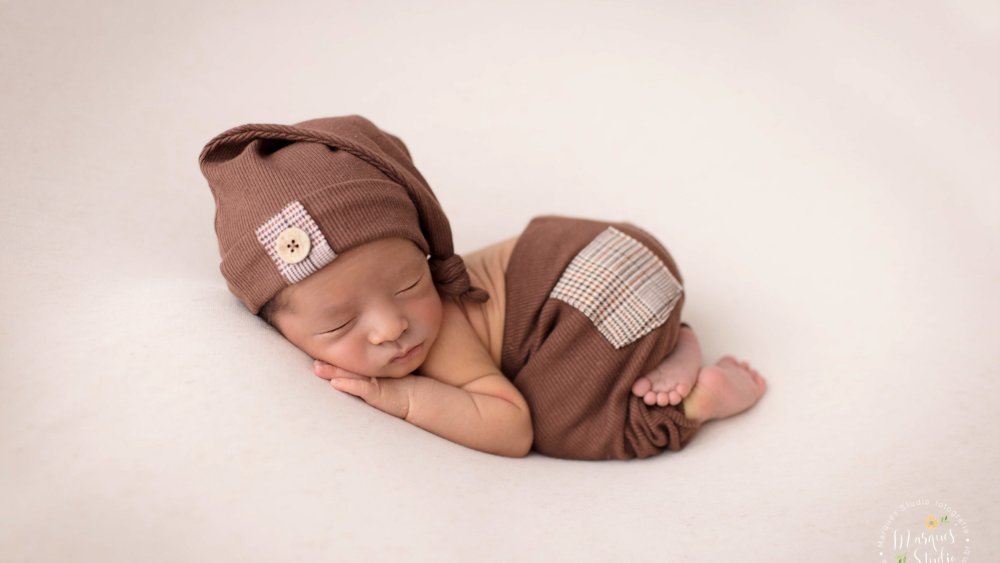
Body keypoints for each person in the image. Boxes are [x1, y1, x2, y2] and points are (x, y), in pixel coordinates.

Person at [200, 115, 766, 459]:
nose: (392, 326)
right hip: (615, 256)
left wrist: (402, 396)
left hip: (587, 294)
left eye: (408, 283)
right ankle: (675, 340)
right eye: (339, 324)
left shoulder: (441, 336)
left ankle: (695, 402)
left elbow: (511, 427)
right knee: (580, 361)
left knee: (560, 423)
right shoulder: (390, 315)